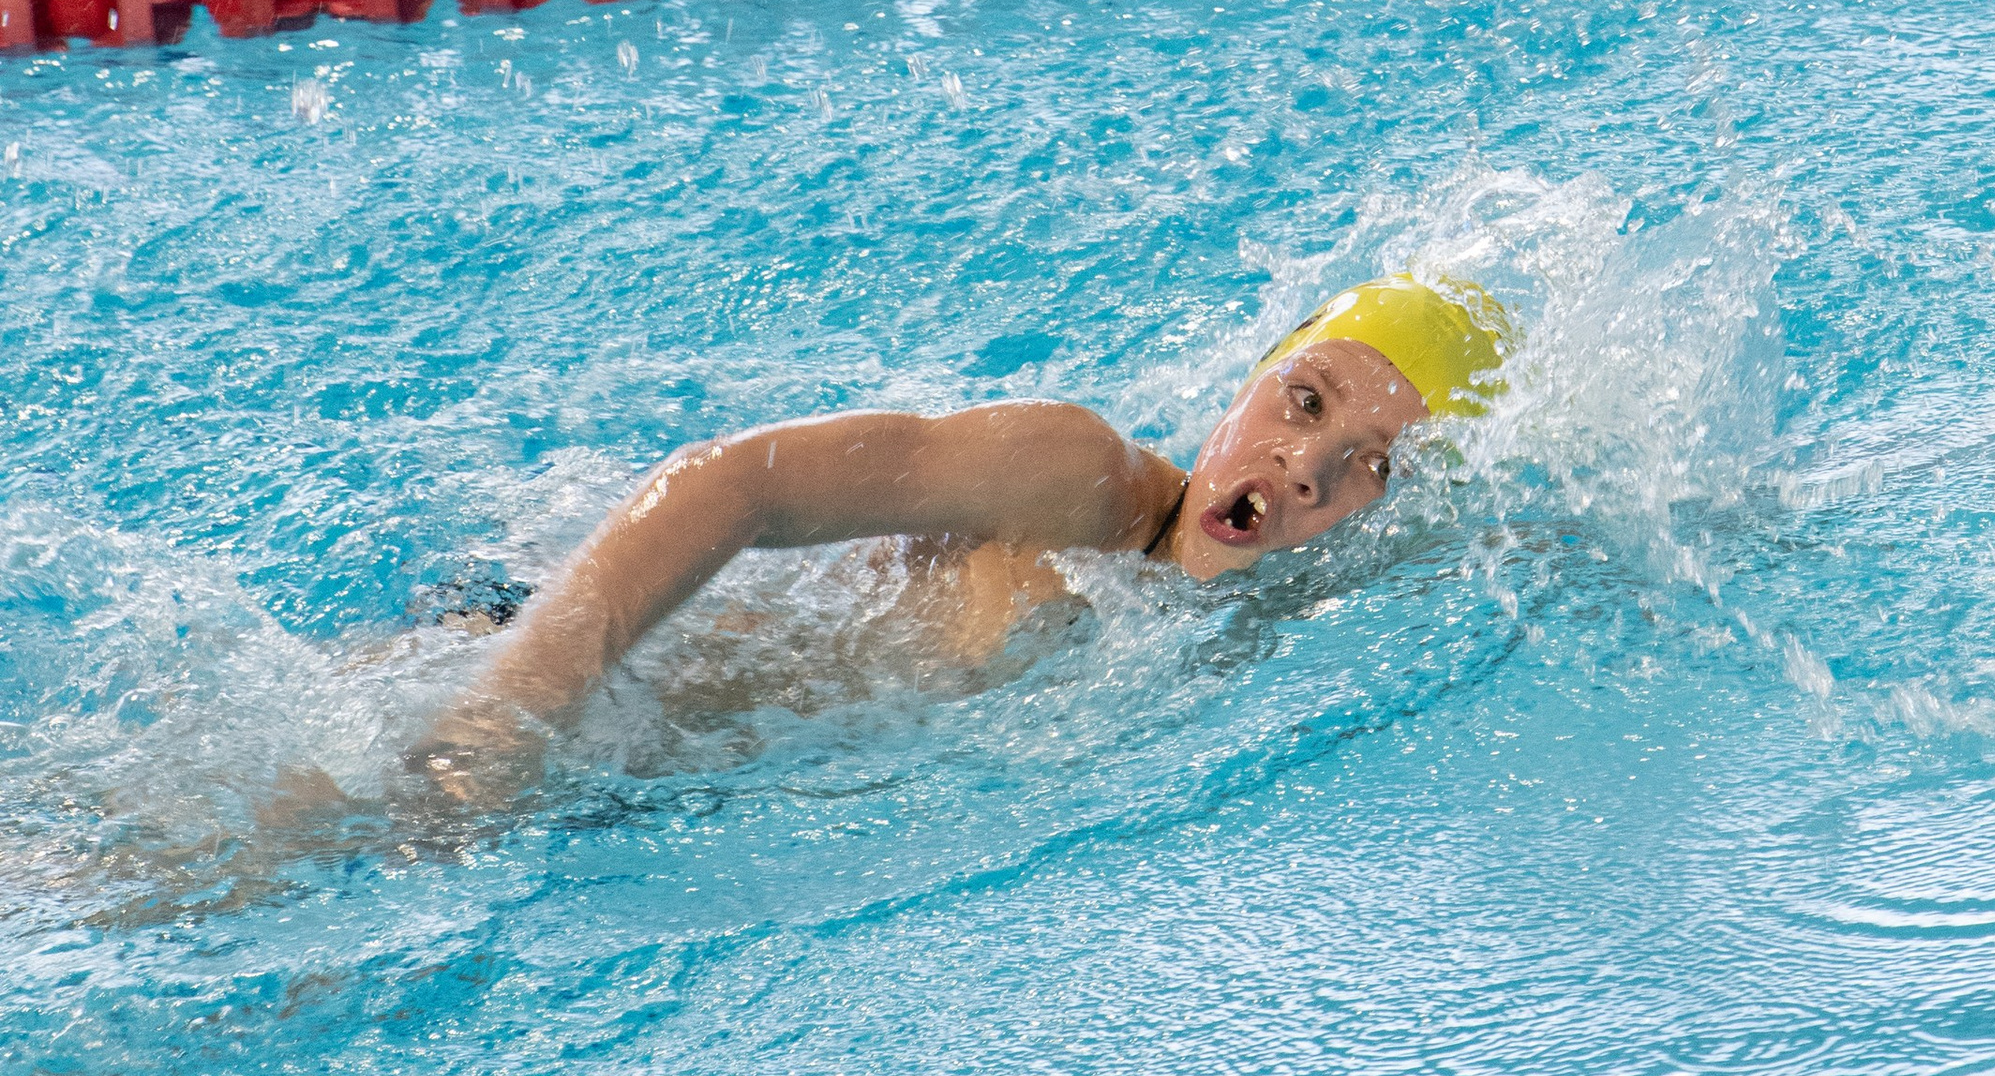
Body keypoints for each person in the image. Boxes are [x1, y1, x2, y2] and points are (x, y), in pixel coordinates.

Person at [403, 276, 1515, 807]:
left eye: (1375, 465)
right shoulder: (1076, 476)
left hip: (628, 789)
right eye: (1305, 402)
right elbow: (736, 484)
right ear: (1246, 382)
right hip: (547, 676)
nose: (1305, 467)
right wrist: (500, 719)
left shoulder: (1278, 619)